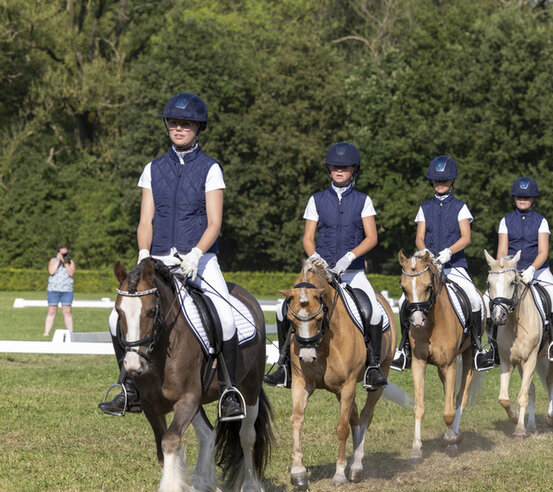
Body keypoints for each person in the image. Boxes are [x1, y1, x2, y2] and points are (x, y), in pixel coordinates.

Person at [99, 92, 244, 420]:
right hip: (159, 261)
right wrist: (144, 253)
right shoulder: (153, 169)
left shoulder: (211, 169)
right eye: (174, 123)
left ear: (198, 128)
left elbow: (215, 222)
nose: (178, 128)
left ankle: (229, 392)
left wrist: (196, 253)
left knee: (225, 315)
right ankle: (129, 388)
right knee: (115, 317)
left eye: (186, 124)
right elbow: (145, 220)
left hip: (201, 259)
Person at [264, 142, 387, 391]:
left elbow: (371, 237)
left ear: (354, 169)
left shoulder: (363, 200)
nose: (339, 170)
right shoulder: (317, 199)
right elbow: (308, 237)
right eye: (334, 166)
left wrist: (350, 257)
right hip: (322, 272)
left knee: (373, 311)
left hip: (352, 273)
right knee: (282, 310)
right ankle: (283, 366)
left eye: (345, 167)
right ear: (328, 169)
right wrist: (316, 257)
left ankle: (372, 366)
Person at [392, 156, 495, 372]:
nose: (441, 184)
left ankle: (477, 347)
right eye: (437, 181)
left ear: (452, 181)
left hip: (454, 265)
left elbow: (466, 237)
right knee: (404, 301)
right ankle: (404, 349)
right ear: (432, 182)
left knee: (475, 300)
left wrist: (448, 252)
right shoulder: (424, 207)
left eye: (445, 180)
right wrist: (426, 252)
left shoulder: (460, 207)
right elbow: (419, 237)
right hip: (428, 265)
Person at [495, 176, 553, 362]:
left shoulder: (541, 221)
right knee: (491, 299)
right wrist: (505, 269)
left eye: (526, 197)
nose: (522, 200)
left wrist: (532, 269)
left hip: (538, 269)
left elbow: (543, 251)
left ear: (533, 199)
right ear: (514, 198)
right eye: (519, 196)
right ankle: (492, 346)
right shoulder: (506, 220)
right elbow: (502, 250)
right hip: (512, 271)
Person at [44, 244, 76, 336]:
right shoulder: (53, 261)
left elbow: (71, 273)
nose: (64, 255)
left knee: (67, 311)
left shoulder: (70, 262)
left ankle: (71, 333)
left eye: (66, 253)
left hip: (67, 290)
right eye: (62, 253)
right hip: (53, 290)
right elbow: (51, 271)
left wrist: (65, 263)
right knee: (51, 311)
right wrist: (58, 261)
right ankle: (46, 332)